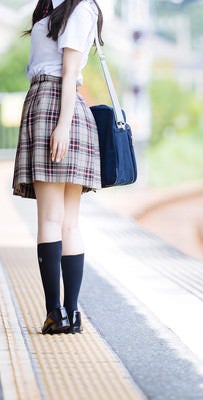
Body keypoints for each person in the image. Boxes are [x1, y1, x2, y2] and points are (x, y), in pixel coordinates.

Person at [12, 0, 103, 334]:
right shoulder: (55, 8)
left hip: (56, 107)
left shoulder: (81, 8)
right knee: (67, 223)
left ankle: (59, 313)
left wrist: (62, 124)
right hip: (52, 106)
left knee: (55, 220)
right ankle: (69, 314)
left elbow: (69, 71)